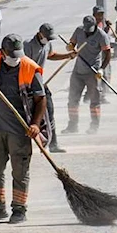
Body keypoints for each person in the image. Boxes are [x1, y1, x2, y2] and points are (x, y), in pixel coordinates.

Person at [0, 34, 46, 224]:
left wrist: (35, 124)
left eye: (17, 55)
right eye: (11, 55)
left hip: (20, 131)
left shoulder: (30, 67)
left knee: (20, 171)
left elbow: (41, 99)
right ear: (2, 52)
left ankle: (19, 209)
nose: (15, 59)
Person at [23, 23, 75, 154]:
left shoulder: (47, 44)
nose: (48, 40)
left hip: (40, 84)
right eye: (46, 37)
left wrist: (67, 55)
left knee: (49, 112)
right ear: (40, 34)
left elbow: (51, 55)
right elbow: (23, 65)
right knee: (27, 117)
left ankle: (53, 144)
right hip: (27, 85)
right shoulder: (28, 45)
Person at [63, 16, 112, 135]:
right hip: (78, 71)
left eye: (90, 29)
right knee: (72, 100)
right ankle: (73, 125)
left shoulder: (101, 36)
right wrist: (70, 47)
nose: (87, 31)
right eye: (86, 29)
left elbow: (108, 54)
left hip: (93, 72)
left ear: (95, 25)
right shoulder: (79, 31)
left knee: (94, 101)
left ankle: (94, 126)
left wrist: (101, 69)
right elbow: (72, 44)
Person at [91, 6, 113, 103]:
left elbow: (104, 36)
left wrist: (107, 28)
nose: (100, 16)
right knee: (99, 74)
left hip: (104, 53)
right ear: (94, 15)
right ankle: (100, 96)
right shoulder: (92, 26)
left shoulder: (101, 23)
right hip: (97, 55)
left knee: (106, 72)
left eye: (102, 14)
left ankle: (104, 92)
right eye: (98, 14)